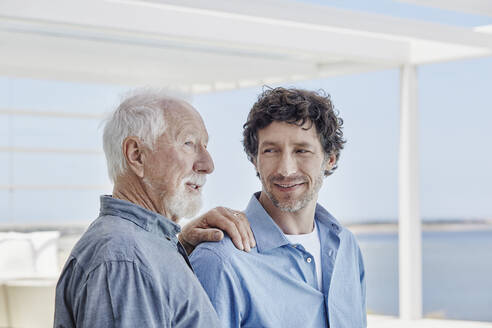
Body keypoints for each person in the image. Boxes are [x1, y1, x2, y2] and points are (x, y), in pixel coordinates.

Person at [54, 90, 255, 327]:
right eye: (189, 143)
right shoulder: (125, 260)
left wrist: (175, 247)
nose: (207, 165)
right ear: (136, 155)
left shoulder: (137, 249)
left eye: (205, 146)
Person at [190, 87, 366, 327]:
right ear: (255, 160)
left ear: (330, 158)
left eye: (301, 150)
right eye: (271, 151)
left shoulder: (346, 246)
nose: (286, 170)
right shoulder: (220, 261)